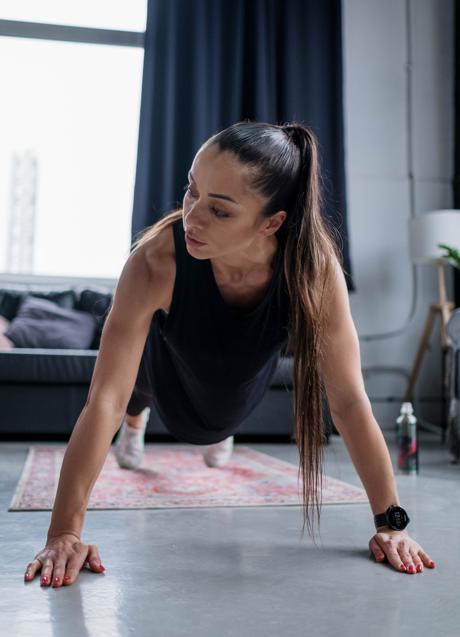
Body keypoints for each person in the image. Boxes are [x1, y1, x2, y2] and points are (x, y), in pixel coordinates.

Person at [24, 120, 436, 588]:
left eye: (219, 211)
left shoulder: (313, 271)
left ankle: (217, 427)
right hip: (163, 365)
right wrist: (63, 533)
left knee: (219, 416)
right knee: (135, 389)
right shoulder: (155, 260)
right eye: (190, 192)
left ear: (272, 222)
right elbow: (103, 401)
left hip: (240, 374)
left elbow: (348, 401)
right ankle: (138, 425)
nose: (192, 218)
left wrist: (392, 522)